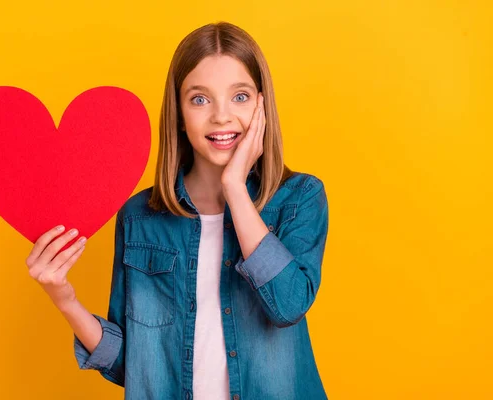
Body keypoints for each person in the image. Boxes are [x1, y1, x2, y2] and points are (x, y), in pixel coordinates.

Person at [25, 21, 329, 400]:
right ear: (180, 115)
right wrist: (63, 298)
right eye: (200, 99)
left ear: (262, 105)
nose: (221, 116)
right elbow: (130, 365)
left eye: (240, 96)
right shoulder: (140, 216)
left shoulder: (298, 198)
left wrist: (234, 187)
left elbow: (288, 306)